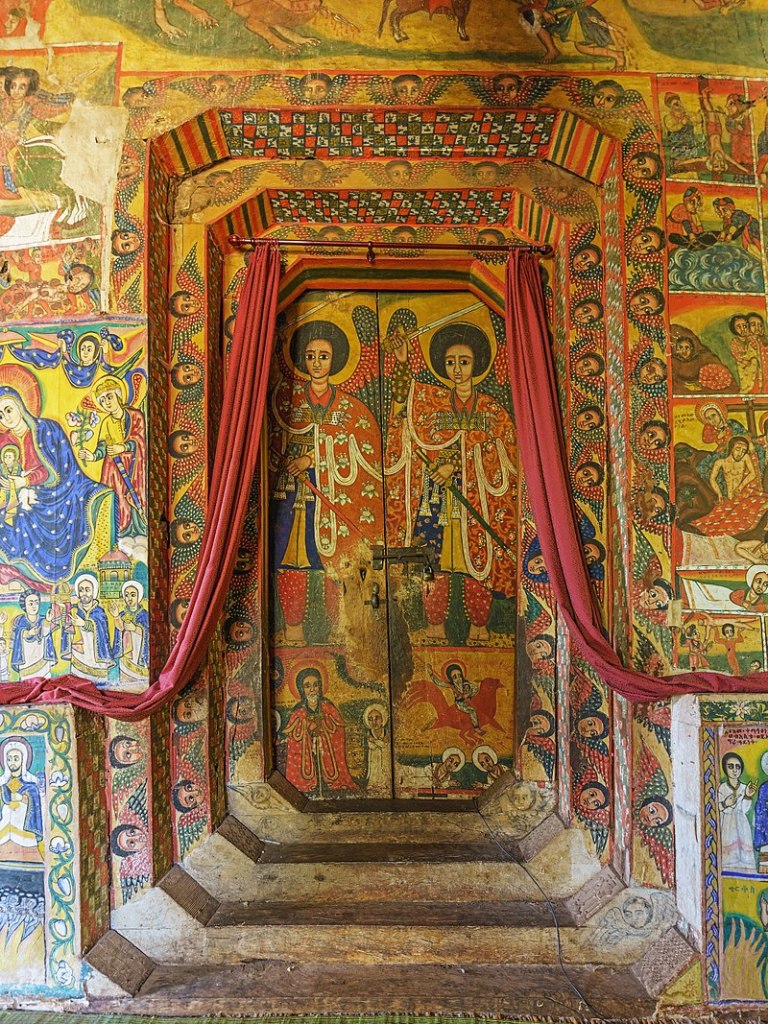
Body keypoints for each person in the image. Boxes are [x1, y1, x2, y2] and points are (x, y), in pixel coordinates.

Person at [385, 319, 516, 642]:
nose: (457, 370)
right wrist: (402, 360)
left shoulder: (492, 409)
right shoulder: (434, 401)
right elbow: (405, 405)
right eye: (450, 362)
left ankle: (479, 629)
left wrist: (455, 464)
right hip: (438, 497)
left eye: (464, 362)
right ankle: (434, 628)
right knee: (435, 563)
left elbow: (507, 453)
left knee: (478, 565)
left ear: (477, 364)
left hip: (478, 499)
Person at [269, 319, 383, 644]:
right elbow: (272, 439)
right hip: (291, 494)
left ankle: (338, 631)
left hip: (332, 493)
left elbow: (365, 444)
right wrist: (289, 455)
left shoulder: (349, 407)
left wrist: (313, 458)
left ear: (336, 361)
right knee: (289, 559)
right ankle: (293, 629)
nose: (317, 363)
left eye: (324, 356)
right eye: (310, 356)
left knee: (334, 560)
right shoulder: (285, 400)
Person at [0, 379, 115, 585]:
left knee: (26, 513)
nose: (6, 417)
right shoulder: (3, 441)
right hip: (16, 496)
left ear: (20, 405)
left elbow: (58, 470)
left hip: (59, 490)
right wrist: (8, 485)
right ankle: (21, 576)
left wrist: (26, 480)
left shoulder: (45, 430)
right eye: (0, 415)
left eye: (8, 410)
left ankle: (47, 577)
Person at [79, 376, 146, 537]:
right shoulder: (106, 423)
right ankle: (121, 530)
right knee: (117, 496)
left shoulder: (135, 415)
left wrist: (123, 447)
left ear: (118, 396)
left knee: (135, 493)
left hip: (134, 464)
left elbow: (140, 438)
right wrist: (93, 456)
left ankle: (138, 527)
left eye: (109, 397)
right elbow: (102, 446)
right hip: (114, 466)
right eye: (102, 401)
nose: (107, 402)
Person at [283, 667, 357, 796]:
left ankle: (330, 784)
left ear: (320, 687)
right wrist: (307, 726)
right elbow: (292, 734)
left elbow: (338, 728)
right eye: (307, 686)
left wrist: (323, 728)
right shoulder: (298, 710)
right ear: (301, 689)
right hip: (307, 749)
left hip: (325, 747)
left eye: (315, 685)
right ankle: (310, 785)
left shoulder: (327, 706)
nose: (312, 689)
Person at [0, 736, 43, 863]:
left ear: (23, 760)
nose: (12, 762)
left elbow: (35, 804)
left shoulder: (31, 786)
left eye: (16, 758)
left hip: (24, 833)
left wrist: (24, 798)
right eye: (9, 759)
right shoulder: (3, 785)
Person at [67, 574, 115, 685]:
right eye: (81, 590)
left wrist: (84, 623)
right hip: (79, 655)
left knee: (100, 685)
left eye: (87, 590)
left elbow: (101, 629)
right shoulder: (75, 610)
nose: (84, 593)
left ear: (94, 592)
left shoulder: (99, 612)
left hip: (96, 657)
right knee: (77, 683)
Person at [719, 751, 757, 873]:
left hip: (742, 825)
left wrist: (748, 796)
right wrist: (726, 803)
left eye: (738, 767)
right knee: (728, 858)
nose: (735, 770)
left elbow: (744, 809)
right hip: (727, 826)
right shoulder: (722, 788)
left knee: (744, 859)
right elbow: (718, 808)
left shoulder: (744, 788)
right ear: (725, 768)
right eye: (731, 766)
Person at [11, 590, 55, 680]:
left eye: (36, 603)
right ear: (24, 605)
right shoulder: (20, 620)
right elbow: (17, 636)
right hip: (26, 659)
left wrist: (48, 621)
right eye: (31, 604)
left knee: (44, 680)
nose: (34, 606)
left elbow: (46, 634)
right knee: (27, 682)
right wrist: (28, 633)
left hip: (41, 657)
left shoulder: (43, 619)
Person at [114, 580, 148, 688]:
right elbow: (119, 629)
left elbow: (147, 632)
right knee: (125, 680)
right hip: (126, 652)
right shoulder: (122, 614)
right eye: (127, 595)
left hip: (139, 651)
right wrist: (116, 616)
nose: (129, 598)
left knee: (140, 680)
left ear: (139, 596)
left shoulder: (144, 615)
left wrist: (135, 628)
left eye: (133, 595)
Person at [363, 703, 390, 797]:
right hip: (373, 756)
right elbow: (372, 746)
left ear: (382, 719)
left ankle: (383, 784)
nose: (374, 722)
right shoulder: (369, 733)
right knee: (374, 770)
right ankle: (373, 784)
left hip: (384, 755)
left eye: (376, 718)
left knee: (383, 769)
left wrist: (375, 741)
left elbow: (384, 745)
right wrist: (378, 742)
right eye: (370, 719)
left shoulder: (386, 732)